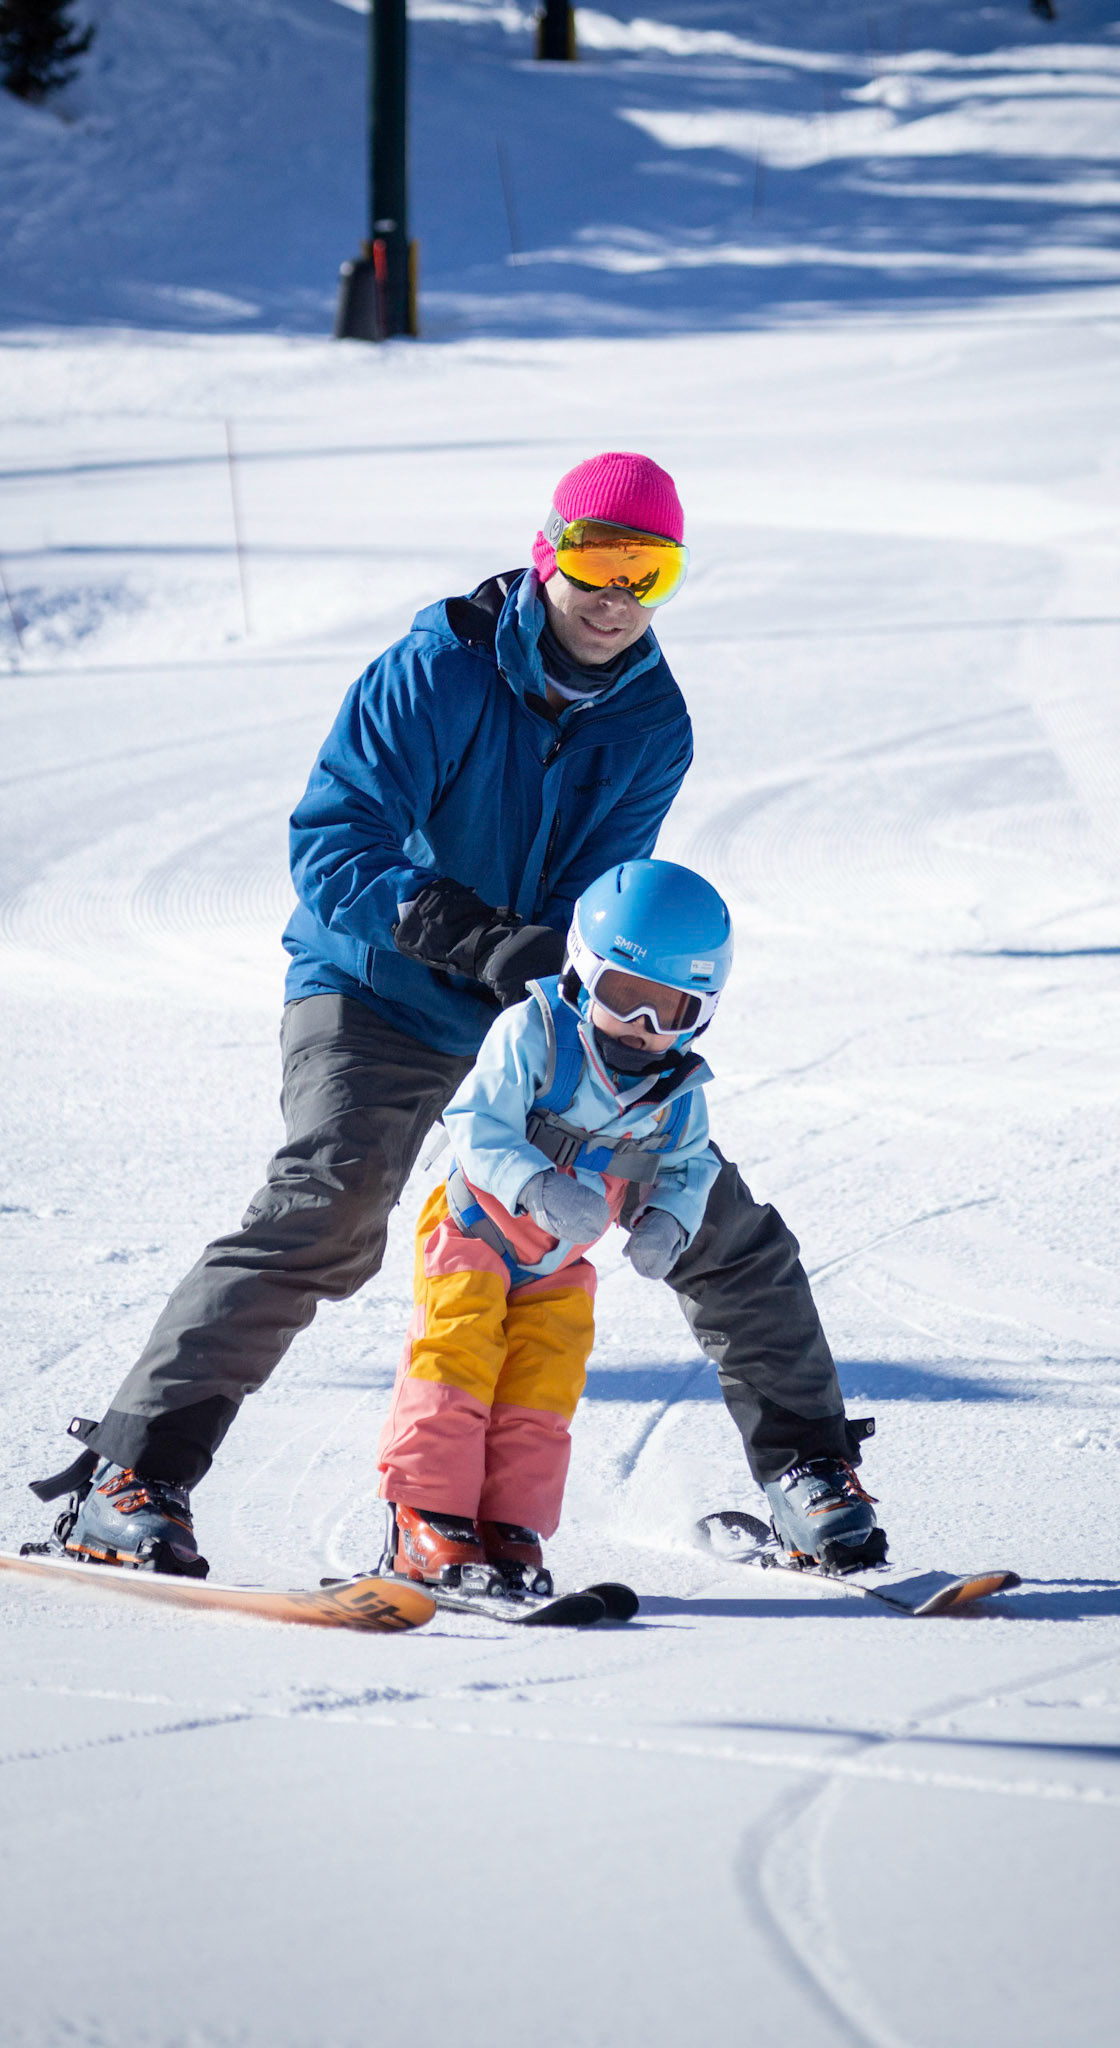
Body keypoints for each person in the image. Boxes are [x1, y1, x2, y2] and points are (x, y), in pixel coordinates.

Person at [33, 451, 884, 1580]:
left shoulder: (653, 724)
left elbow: (600, 904)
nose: (617, 593)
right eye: (597, 557)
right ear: (548, 551)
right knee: (328, 1202)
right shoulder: (435, 669)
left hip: (529, 1016)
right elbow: (332, 842)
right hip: (374, 983)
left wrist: (581, 984)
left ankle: (810, 1475)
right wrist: (457, 927)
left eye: (650, 568)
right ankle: (130, 1477)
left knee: (707, 1208)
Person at [380, 858, 728, 1594]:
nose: (643, 1028)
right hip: (476, 1227)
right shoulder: (533, 1033)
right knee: (457, 1356)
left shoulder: (677, 1091)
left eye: (672, 1011)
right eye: (625, 997)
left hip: (563, 1260)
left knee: (545, 1381)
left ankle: (509, 1523)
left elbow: (689, 1167)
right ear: (582, 971)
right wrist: (535, 1183)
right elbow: (474, 1121)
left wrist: (669, 1218)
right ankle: (429, 1518)